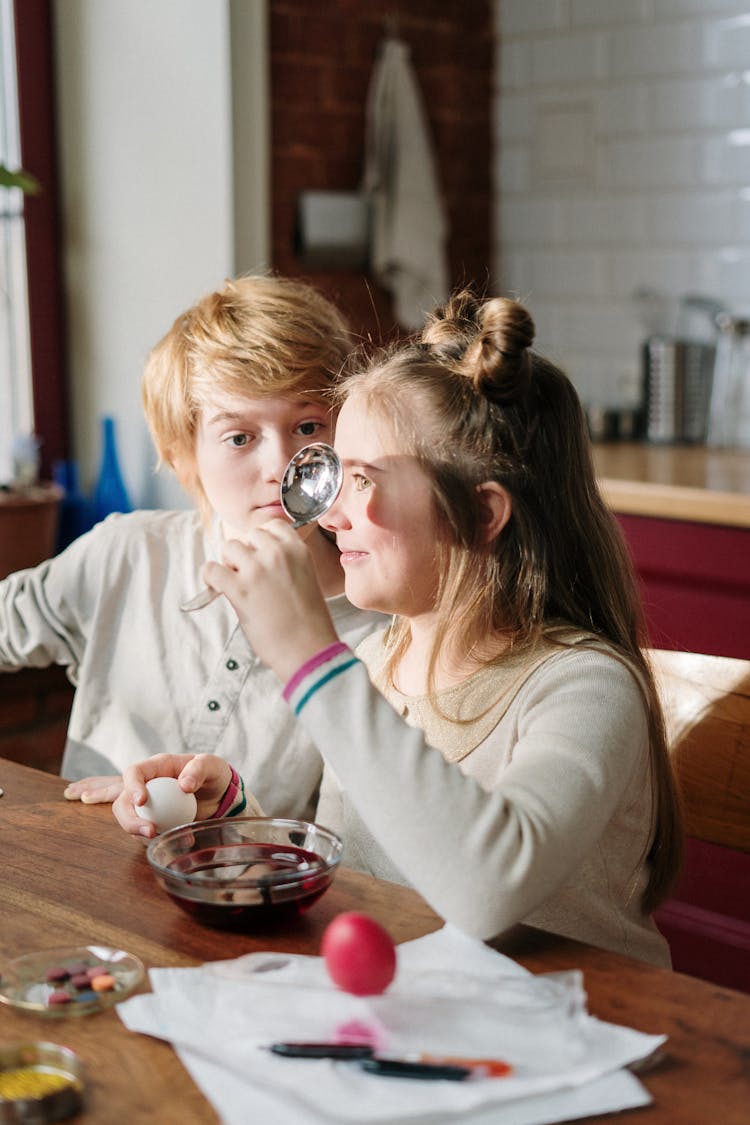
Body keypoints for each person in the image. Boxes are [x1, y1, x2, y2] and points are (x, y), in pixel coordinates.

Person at [113, 290, 683, 966]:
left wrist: (309, 658)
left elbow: (485, 887)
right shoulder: (384, 659)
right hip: (428, 1022)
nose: (328, 517)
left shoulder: (583, 687)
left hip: (584, 1036)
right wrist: (235, 815)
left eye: (359, 480)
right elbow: (358, 876)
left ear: (479, 514)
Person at [0, 274, 385, 819]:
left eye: (306, 425)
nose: (278, 465)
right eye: (239, 437)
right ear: (184, 456)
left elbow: (341, 848)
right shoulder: (127, 555)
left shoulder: (377, 624)